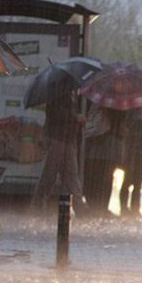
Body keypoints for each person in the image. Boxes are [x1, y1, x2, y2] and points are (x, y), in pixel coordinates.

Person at [30, 84, 90, 217]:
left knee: (71, 176)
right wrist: (75, 118)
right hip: (56, 138)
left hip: (67, 140)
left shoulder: (71, 92)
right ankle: (37, 205)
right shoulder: (56, 91)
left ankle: (80, 209)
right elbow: (55, 113)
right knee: (49, 174)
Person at [83, 105, 127, 217]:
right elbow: (119, 124)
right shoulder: (114, 105)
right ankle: (101, 207)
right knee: (106, 178)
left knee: (95, 177)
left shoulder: (96, 103)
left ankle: (95, 206)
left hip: (96, 144)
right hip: (107, 146)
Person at [119, 108, 142, 218]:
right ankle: (133, 209)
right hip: (137, 155)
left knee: (128, 181)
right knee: (135, 182)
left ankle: (125, 208)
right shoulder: (139, 120)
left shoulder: (129, 119)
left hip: (131, 154)